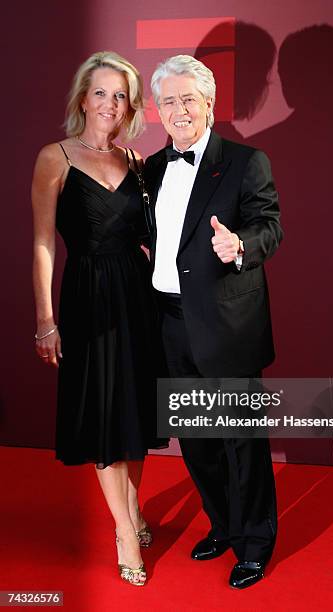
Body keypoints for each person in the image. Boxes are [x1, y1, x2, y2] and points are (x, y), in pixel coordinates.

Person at [144, 55, 283, 589]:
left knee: (241, 440)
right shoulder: (152, 168)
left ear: (209, 103)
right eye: (168, 101)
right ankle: (223, 526)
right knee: (198, 440)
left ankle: (254, 545)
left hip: (228, 323)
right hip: (170, 322)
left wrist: (242, 244)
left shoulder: (247, 161)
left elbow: (271, 225)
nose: (177, 110)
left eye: (187, 99)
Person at [32, 51, 166, 587]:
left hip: (137, 298)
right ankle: (125, 532)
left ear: (129, 105)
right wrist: (45, 318)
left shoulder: (136, 162)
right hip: (88, 299)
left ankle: (132, 511)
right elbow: (43, 242)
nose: (110, 103)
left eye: (120, 95)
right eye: (101, 92)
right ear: (82, 99)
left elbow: (150, 239)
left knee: (134, 411)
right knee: (105, 414)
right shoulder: (55, 157)